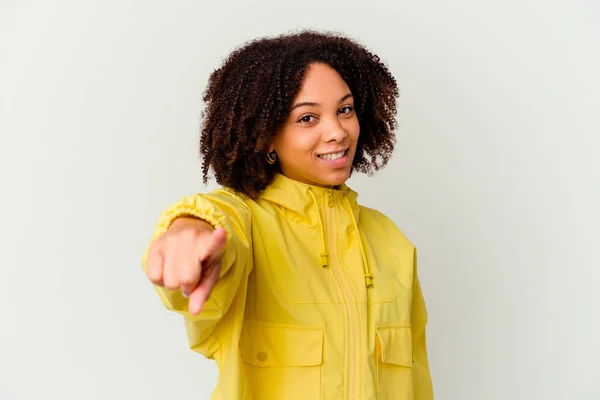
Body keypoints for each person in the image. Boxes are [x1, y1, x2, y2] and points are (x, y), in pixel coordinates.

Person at [142, 30, 434, 400]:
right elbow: (217, 220)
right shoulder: (247, 221)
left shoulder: (389, 240)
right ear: (266, 136)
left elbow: (417, 378)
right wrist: (190, 228)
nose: (337, 132)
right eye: (308, 118)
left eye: (344, 110)